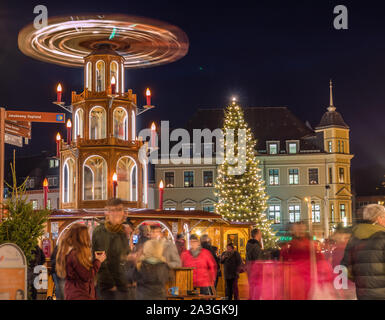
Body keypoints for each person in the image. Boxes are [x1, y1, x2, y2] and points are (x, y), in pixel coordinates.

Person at [342, 204, 385, 300]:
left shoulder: (354, 237)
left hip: (363, 293)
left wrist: (360, 280)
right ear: (379, 218)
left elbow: (345, 267)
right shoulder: (383, 237)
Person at [92, 198, 131, 300]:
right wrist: (110, 284)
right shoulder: (101, 231)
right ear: (107, 212)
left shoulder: (121, 231)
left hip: (122, 285)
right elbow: (101, 260)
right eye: (113, 210)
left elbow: (124, 256)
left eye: (119, 209)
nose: (116, 213)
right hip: (109, 288)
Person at [56, 224, 106, 300]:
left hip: (75, 292)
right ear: (81, 237)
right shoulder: (75, 254)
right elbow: (87, 275)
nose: (88, 238)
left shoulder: (69, 251)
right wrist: (98, 261)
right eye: (87, 235)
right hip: (80, 294)